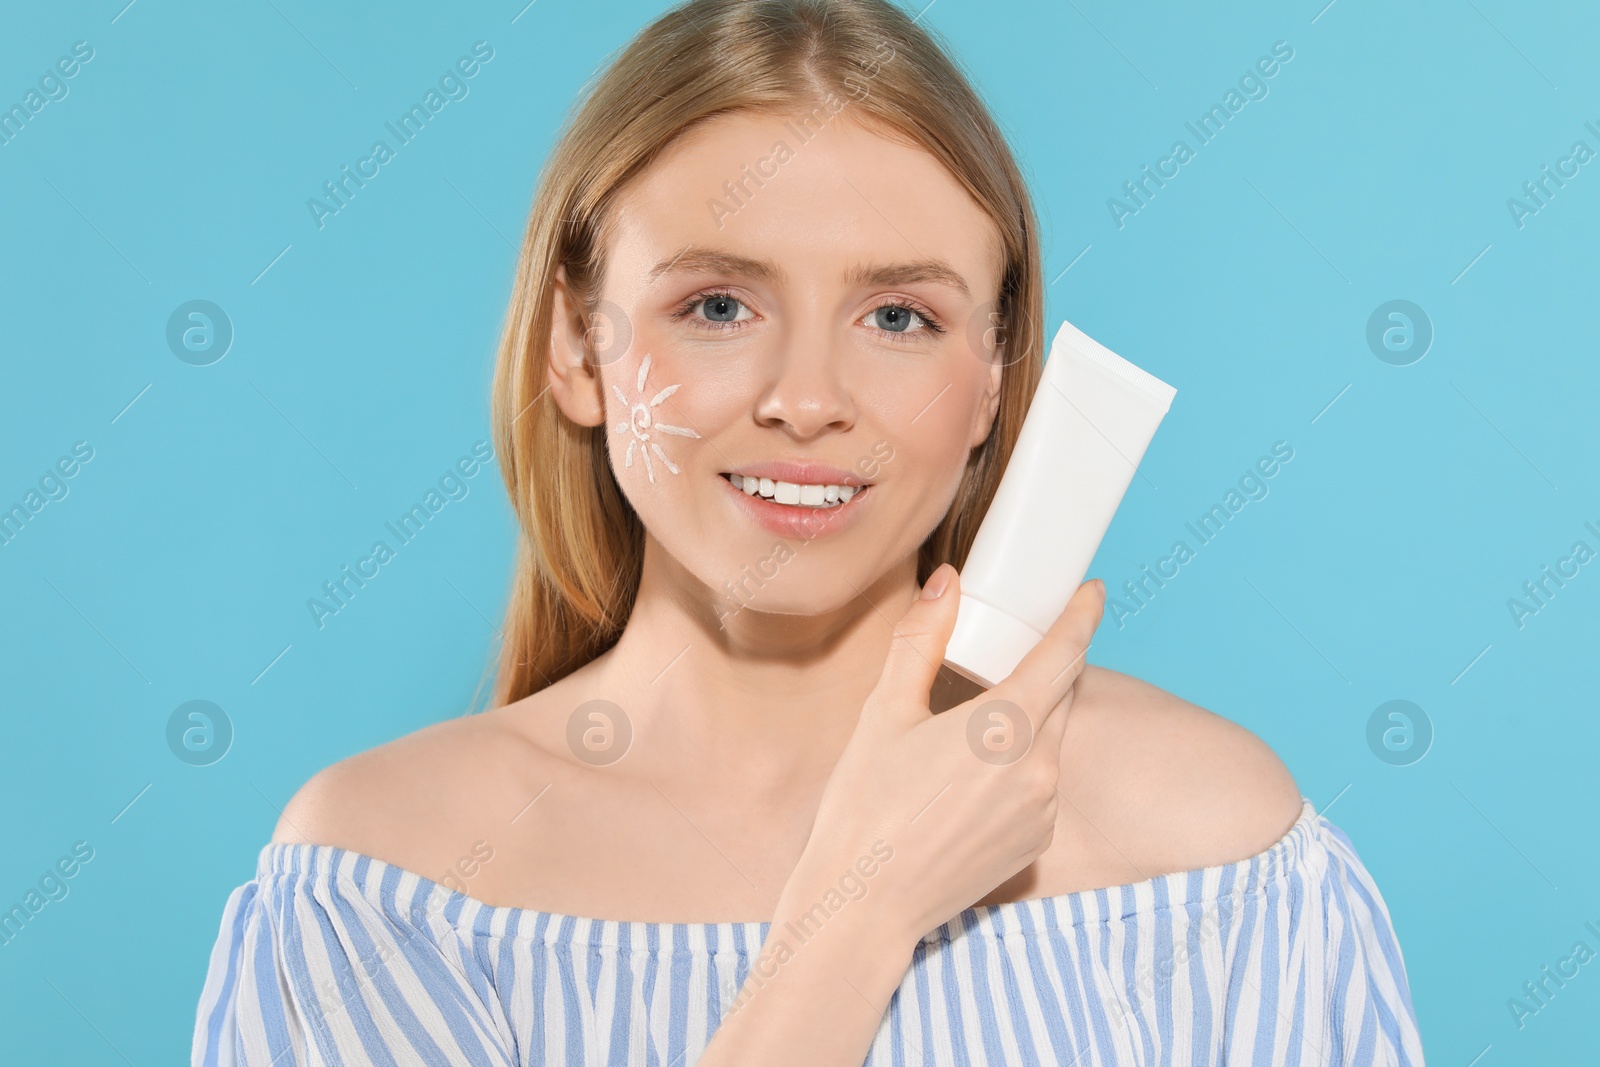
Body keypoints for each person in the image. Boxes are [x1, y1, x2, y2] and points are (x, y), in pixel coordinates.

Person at [192, 1, 1424, 1063]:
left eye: (898, 317)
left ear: (997, 373)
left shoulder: (1213, 855)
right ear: (578, 346)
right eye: (717, 304)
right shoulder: (389, 891)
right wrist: (859, 910)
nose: (807, 395)